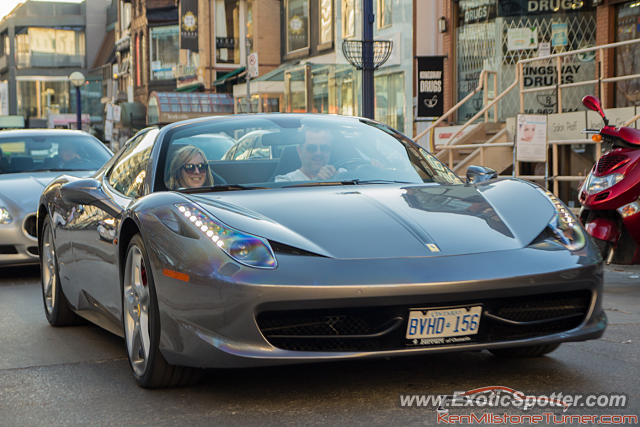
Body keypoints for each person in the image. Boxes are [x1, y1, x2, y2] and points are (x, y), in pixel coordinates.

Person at [275, 127, 342, 182]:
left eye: (324, 148)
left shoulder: (342, 175)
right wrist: (317, 180)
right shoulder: (285, 181)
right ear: (299, 151)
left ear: (330, 150)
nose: (318, 153)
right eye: (311, 148)